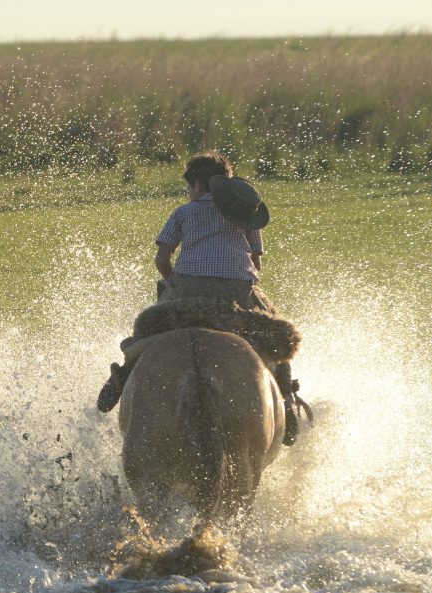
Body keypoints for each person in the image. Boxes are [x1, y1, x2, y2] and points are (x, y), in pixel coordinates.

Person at [96, 151, 306, 446]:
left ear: (196, 184)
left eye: (189, 188)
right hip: (236, 295)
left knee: (146, 328)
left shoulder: (183, 213)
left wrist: (174, 283)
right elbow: (256, 264)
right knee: (277, 333)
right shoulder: (245, 213)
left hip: (186, 292)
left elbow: (161, 259)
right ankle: (286, 397)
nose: (190, 193)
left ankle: (122, 375)